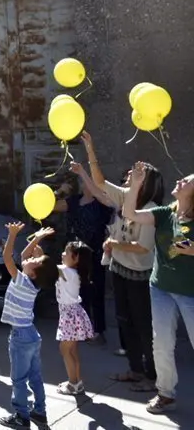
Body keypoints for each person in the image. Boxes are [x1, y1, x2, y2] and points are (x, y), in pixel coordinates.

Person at [82, 131, 163, 392]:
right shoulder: (127, 196)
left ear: (145, 181)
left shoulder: (149, 208)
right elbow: (100, 181)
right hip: (120, 271)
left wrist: (115, 244)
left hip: (139, 277)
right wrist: (91, 149)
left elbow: (142, 247)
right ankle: (134, 370)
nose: (128, 176)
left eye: (135, 174)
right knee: (125, 321)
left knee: (142, 324)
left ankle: (151, 377)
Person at [120, 163, 194, 415]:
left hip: (190, 293)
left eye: (188, 181)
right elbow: (129, 213)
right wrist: (137, 183)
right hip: (161, 288)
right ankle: (165, 394)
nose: (181, 181)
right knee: (161, 343)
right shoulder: (165, 213)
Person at [0, 222, 60, 430]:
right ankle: (39, 412)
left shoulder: (22, 280)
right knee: (35, 376)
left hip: (21, 337)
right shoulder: (30, 281)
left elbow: (8, 257)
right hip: (31, 335)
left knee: (18, 379)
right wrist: (37, 238)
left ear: (33, 272)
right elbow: (24, 256)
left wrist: (12, 235)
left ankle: (21, 416)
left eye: (35, 260)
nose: (30, 257)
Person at [53, 162, 114, 345]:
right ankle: (80, 330)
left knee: (95, 292)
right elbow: (50, 206)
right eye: (83, 181)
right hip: (73, 254)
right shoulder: (73, 201)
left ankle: (98, 331)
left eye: (88, 181)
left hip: (94, 253)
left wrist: (83, 172)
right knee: (75, 292)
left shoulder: (103, 204)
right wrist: (60, 192)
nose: (85, 184)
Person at [55, 242, 95, 396]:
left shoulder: (66, 272)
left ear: (76, 257)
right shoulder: (73, 272)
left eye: (66, 252)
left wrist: (38, 242)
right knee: (72, 350)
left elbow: (48, 266)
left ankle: (73, 383)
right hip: (73, 314)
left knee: (65, 349)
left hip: (69, 315)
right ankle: (77, 381)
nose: (63, 254)